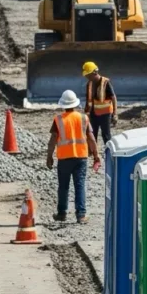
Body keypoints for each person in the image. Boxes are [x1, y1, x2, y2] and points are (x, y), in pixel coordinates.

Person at [46, 89, 101, 224]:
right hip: (81, 158)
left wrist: (49, 156)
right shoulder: (83, 118)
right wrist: (96, 155)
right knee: (80, 185)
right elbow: (91, 138)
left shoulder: (58, 119)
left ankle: (62, 213)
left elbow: (53, 139)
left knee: (63, 186)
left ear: (63, 105)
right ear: (75, 104)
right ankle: (81, 215)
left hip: (64, 159)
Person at [82, 61, 118, 144]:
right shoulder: (89, 84)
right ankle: (93, 153)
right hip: (93, 114)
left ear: (95, 72)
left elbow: (113, 97)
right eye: (86, 75)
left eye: (88, 75)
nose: (87, 77)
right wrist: (87, 113)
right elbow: (88, 100)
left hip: (105, 114)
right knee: (92, 134)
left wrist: (115, 114)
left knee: (106, 135)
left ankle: (108, 153)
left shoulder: (105, 83)